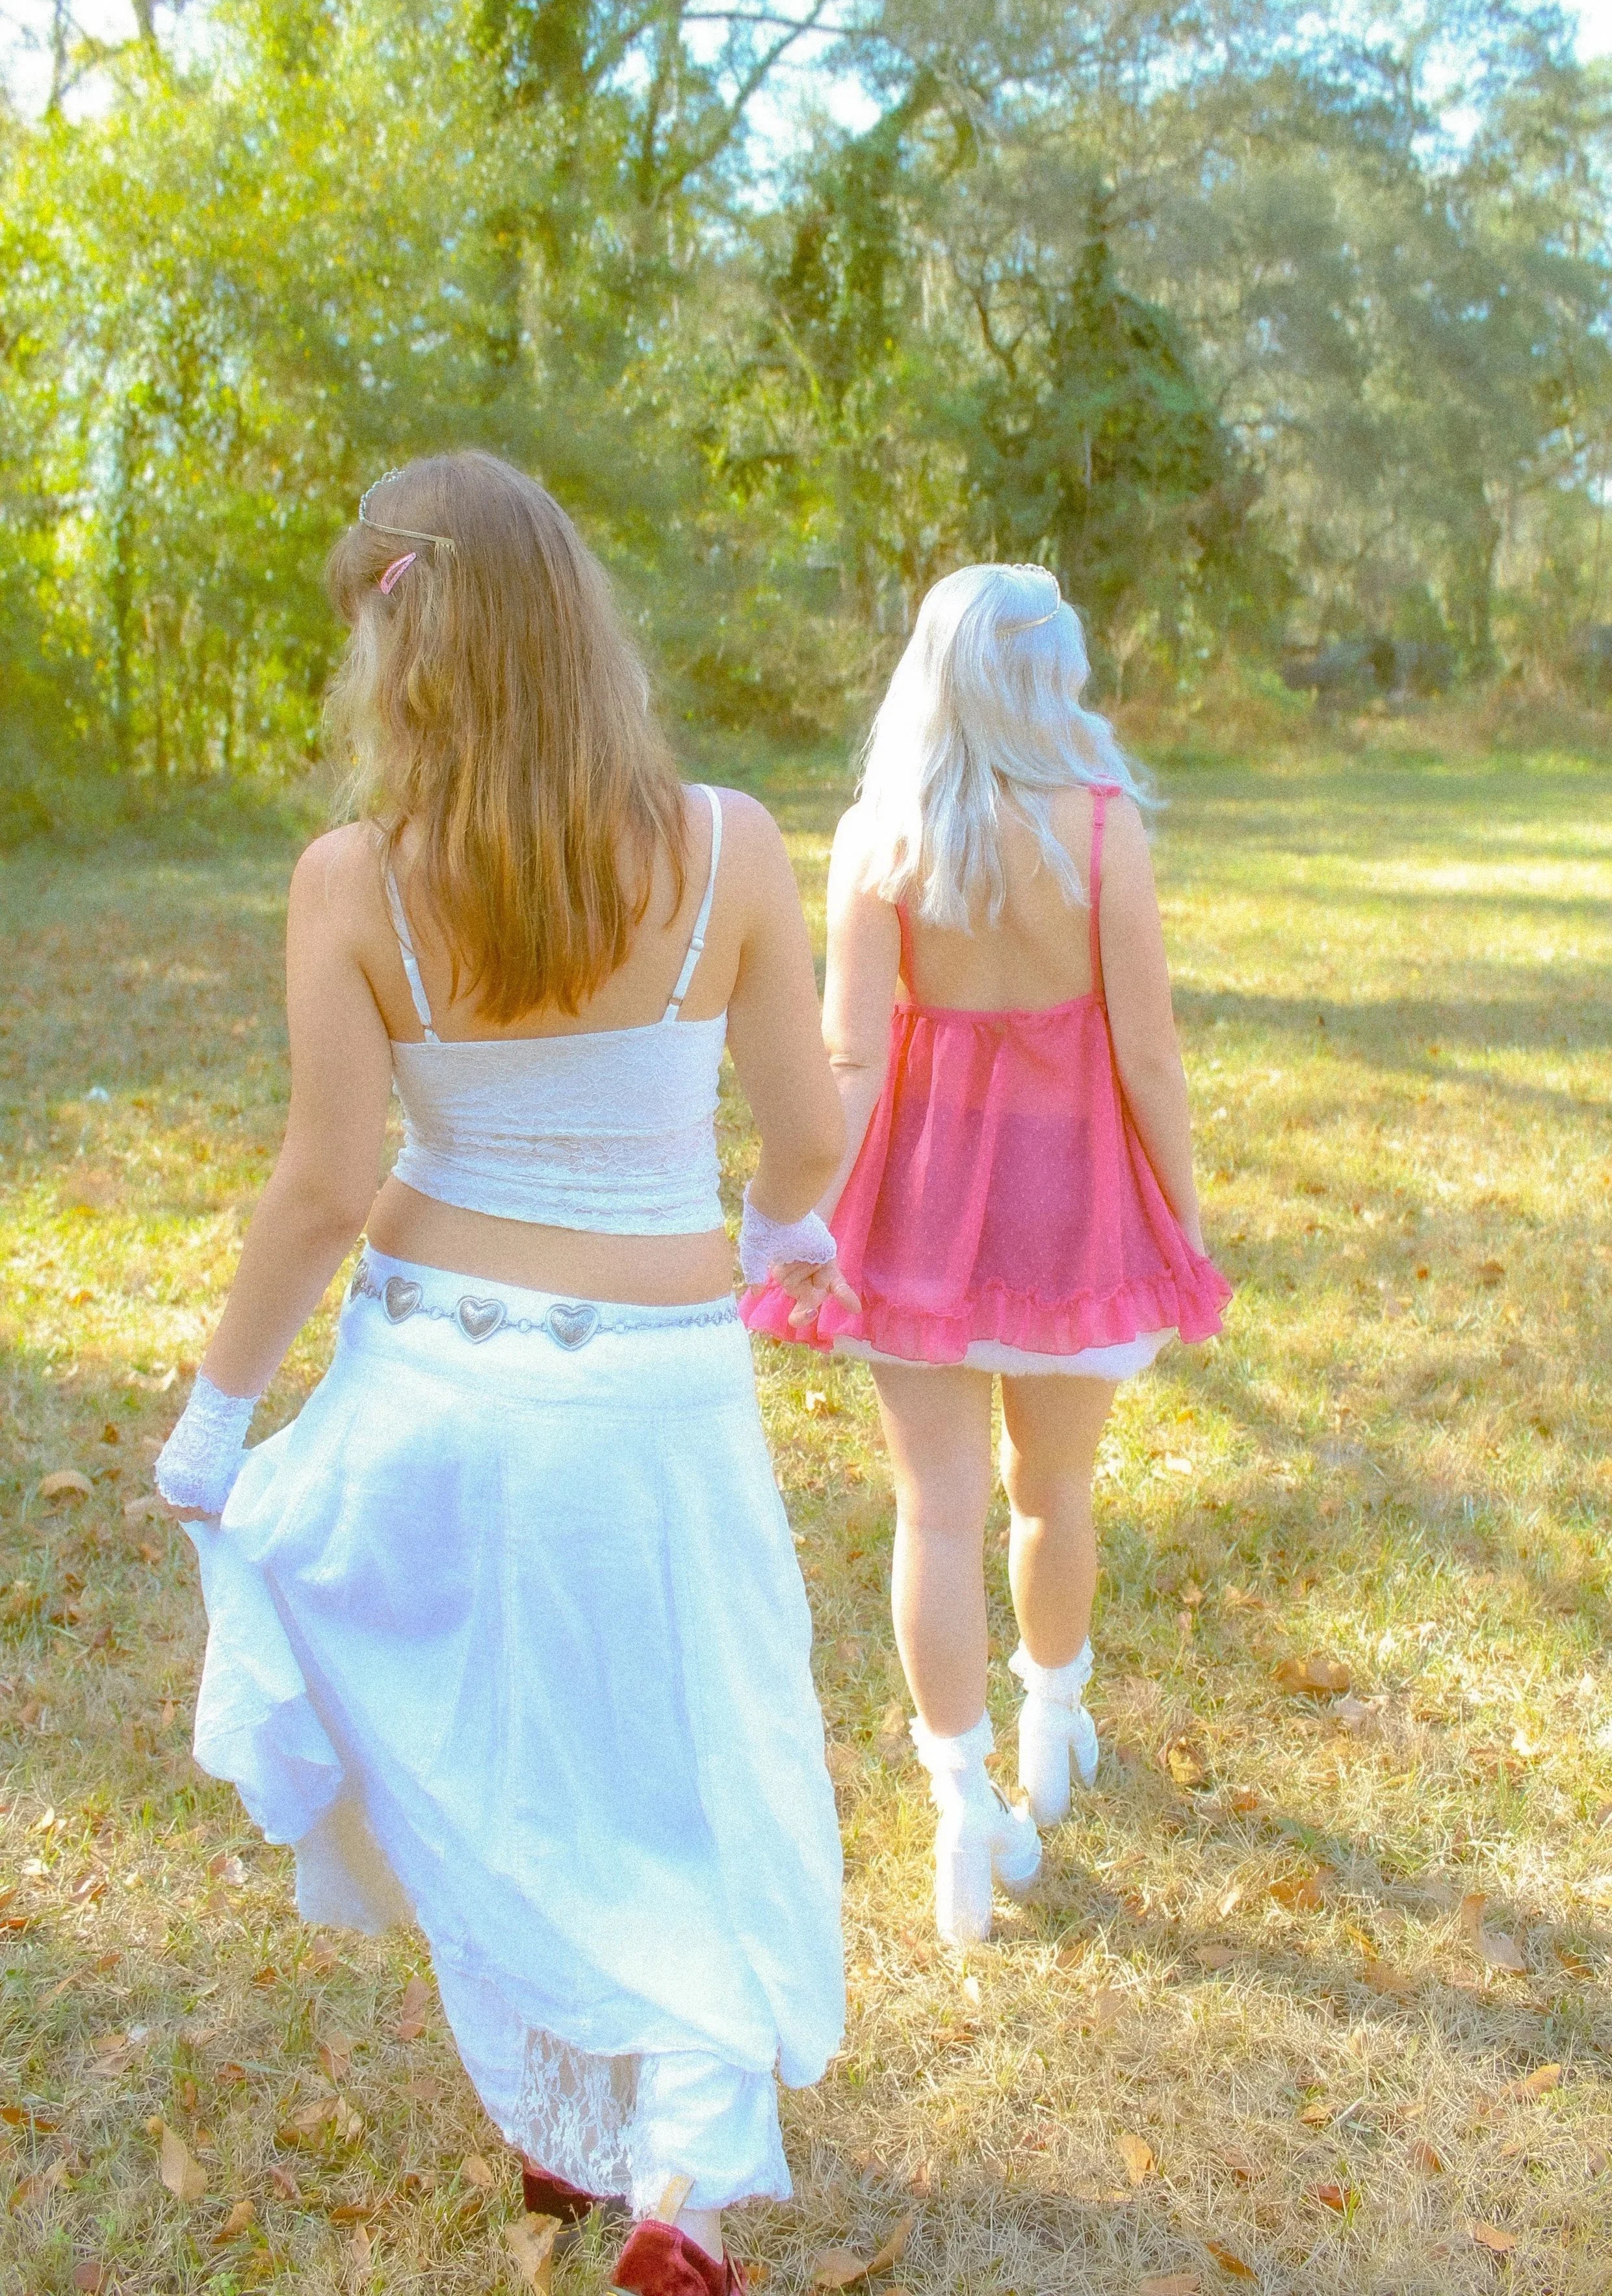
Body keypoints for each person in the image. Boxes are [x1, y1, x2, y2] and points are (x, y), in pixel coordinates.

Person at [153, 453, 850, 2296]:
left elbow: (323, 1182)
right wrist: (787, 1227)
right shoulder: (734, 845)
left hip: (437, 1389)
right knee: (680, 1760)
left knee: (478, 1741)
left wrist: (218, 1417)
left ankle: (559, 2125)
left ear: (403, 655)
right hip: (657, 1395)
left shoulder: (352, 880)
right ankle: (679, 2184)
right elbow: (806, 1132)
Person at [743, 564, 1231, 1945]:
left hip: (919, 1215)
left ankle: (961, 1803)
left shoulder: (876, 831)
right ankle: (1052, 1722)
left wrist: (806, 1215)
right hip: (1073, 1207)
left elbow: (845, 1054)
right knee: (1051, 1489)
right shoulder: (1097, 826)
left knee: (935, 1511)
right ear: (1048, 675)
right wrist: (1178, 1215)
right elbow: (1145, 1049)